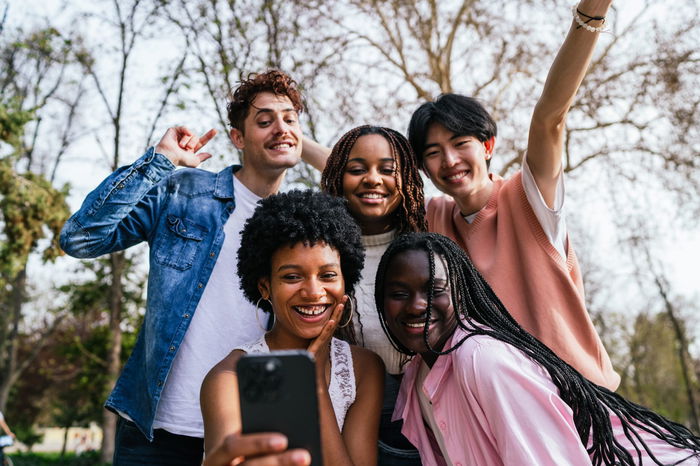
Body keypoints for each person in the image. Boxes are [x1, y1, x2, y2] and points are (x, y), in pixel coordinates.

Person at [302, 0, 620, 391]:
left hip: (572, 397)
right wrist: (289, 138)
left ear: (487, 145)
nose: (449, 160)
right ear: (421, 168)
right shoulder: (435, 220)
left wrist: (590, 15)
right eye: (433, 153)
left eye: (460, 143)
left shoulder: (530, 198)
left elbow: (550, 116)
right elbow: (355, 172)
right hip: (492, 406)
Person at [60, 69, 305, 464]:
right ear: (237, 138)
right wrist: (160, 162)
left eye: (290, 119)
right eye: (265, 121)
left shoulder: (302, 221)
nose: (281, 128)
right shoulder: (185, 192)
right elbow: (80, 238)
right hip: (158, 432)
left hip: (253, 429)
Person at [376, 232, 700, 466]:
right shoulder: (417, 377)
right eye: (399, 293)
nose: (418, 305)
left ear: (460, 295)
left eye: (435, 290)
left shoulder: (482, 359)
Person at [201, 190, 384, 466]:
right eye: (292, 276)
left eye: (328, 275)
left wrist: (314, 384)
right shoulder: (229, 377)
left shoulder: (365, 368)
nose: (313, 291)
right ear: (265, 287)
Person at [320, 125, 425, 465]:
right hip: (340, 414)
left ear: (406, 176)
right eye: (357, 169)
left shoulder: (427, 248)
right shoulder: (320, 251)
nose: (373, 179)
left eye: (387, 169)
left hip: (419, 418)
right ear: (338, 176)